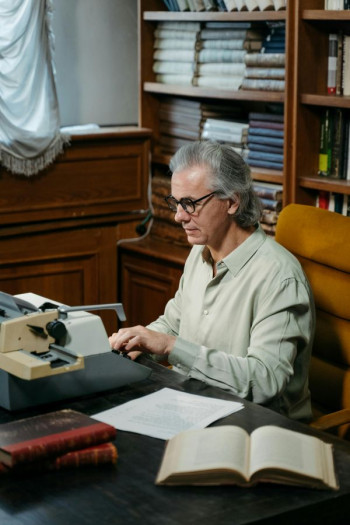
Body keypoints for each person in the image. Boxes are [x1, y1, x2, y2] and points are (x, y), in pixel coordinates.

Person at [109, 141, 315, 421]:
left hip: (257, 428)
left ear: (232, 201)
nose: (179, 216)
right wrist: (137, 341)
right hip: (193, 406)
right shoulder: (199, 253)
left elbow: (264, 382)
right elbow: (173, 324)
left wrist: (170, 346)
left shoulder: (280, 278)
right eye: (176, 203)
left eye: (190, 204)